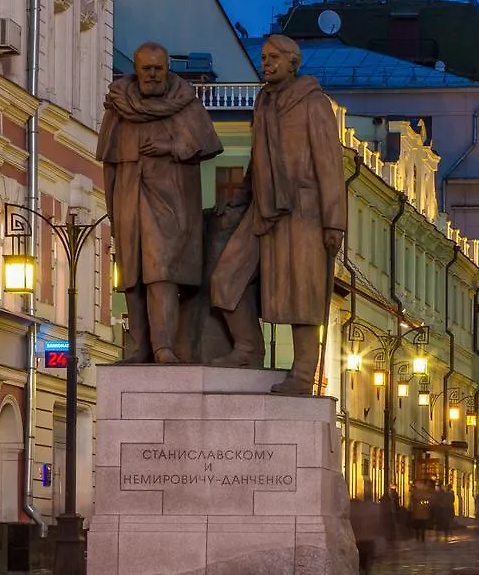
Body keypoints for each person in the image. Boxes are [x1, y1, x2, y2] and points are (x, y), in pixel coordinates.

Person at [211, 34, 347, 394]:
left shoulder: (312, 103)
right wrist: (240, 198)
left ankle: (303, 374)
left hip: (304, 210)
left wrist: (334, 221)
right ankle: (247, 347)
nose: (266, 63)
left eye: (274, 57)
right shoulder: (264, 101)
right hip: (263, 208)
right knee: (226, 278)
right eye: (264, 57)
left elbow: (330, 164)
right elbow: (257, 159)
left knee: (302, 293)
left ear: (293, 62)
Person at [97, 41, 223, 363]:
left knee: (161, 271)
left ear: (168, 68)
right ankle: (140, 347)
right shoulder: (118, 107)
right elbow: (109, 163)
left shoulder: (185, 103)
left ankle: (163, 346)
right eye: (146, 69)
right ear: (136, 70)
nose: (152, 75)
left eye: (158, 68)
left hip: (171, 201)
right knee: (132, 274)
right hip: (128, 196)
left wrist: (172, 145)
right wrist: (112, 207)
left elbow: (205, 143)